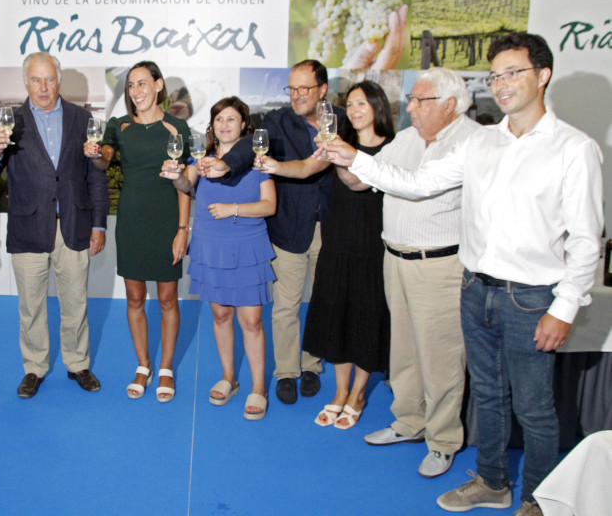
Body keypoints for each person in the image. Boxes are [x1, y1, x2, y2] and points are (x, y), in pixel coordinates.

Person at [319, 33, 603, 516]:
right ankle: (492, 482)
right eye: (496, 75)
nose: (503, 83)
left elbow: (585, 239)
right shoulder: (483, 143)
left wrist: (565, 306)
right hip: (477, 288)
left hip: (532, 297)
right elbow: (418, 183)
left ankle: (537, 499)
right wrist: (354, 157)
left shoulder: (573, 149)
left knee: (534, 410)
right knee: (489, 395)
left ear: (543, 76)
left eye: (514, 72)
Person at [197, 59, 344, 405]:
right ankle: (287, 371)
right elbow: (251, 145)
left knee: (325, 301)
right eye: (290, 89)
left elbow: (316, 166)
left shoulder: (339, 120)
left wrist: (276, 167)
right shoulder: (279, 120)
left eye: (303, 89)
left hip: (333, 226)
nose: (295, 95)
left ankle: (312, 364)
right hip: (291, 226)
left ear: (322, 89)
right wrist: (226, 164)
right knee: (285, 306)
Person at [361, 68, 480, 479]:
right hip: (395, 257)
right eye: (410, 99)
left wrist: (351, 157)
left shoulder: (471, 141)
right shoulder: (408, 138)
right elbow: (368, 177)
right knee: (405, 349)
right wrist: (337, 158)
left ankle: (444, 440)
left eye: (419, 100)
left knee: (441, 356)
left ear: (450, 105)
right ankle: (410, 422)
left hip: (441, 265)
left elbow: (416, 186)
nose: (409, 107)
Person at [258, 80, 394, 429]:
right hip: (338, 241)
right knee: (337, 315)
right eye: (350, 105)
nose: (355, 111)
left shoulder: (394, 149)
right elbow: (305, 168)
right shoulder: (339, 145)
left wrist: (342, 157)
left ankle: (358, 395)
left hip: (372, 247)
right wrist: (274, 166)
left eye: (362, 104)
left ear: (378, 107)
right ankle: (340, 391)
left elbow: (356, 183)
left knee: (366, 317)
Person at [0, 52, 108, 399]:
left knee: (76, 302)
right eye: (36, 79)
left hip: (74, 226)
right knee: (31, 306)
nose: (44, 87)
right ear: (25, 82)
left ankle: (78, 363)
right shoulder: (10, 122)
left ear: (59, 80)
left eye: (49, 79)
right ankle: (34, 368)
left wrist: (99, 224)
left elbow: (95, 177)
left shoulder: (82, 118)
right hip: (29, 228)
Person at [161, 97, 276, 420]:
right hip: (211, 246)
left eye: (231, 119)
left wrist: (233, 210)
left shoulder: (258, 160)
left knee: (251, 320)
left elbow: (270, 206)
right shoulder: (202, 160)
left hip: (248, 245)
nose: (224, 124)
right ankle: (229, 378)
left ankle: (258, 388)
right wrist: (176, 176)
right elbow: (186, 183)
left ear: (244, 125)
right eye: (219, 119)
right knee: (221, 315)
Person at [87, 61, 191, 402]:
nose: (135, 92)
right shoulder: (120, 126)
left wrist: (182, 230)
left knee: (167, 299)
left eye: (142, 84)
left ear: (159, 85)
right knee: (134, 298)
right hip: (131, 221)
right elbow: (104, 160)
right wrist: (95, 154)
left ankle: (165, 368)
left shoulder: (177, 128)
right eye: (131, 85)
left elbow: (185, 185)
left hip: (166, 221)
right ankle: (143, 365)